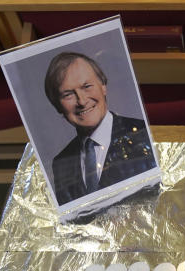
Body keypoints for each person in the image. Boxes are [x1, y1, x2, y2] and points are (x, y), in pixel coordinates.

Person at [44, 51, 156, 204]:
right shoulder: (61, 163)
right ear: (57, 105)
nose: (82, 101)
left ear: (103, 86)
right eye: (68, 94)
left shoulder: (144, 133)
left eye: (87, 86)